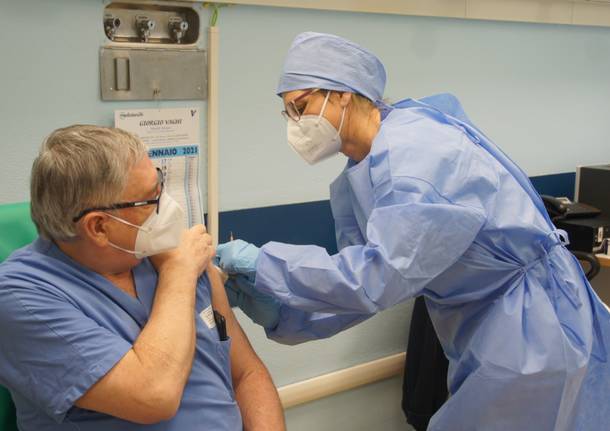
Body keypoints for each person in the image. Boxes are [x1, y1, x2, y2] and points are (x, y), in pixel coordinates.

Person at [216, 32, 610, 430]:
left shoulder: (416, 155)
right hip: (488, 328)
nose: (296, 125)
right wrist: (283, 313)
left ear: (342, 95)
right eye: (288, 114)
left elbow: (375, 278)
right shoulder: (363, 170)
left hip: (531, 330)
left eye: (301, 107)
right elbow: (361, 289)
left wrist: (265, 263)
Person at [0, 126, 285, 430]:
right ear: (98, 227)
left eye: (160, 184)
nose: (167, 205)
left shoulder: (165, 253)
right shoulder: (22, 297)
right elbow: (154, 395)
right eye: (150, 199)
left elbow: (247, 375)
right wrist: (179, 274)